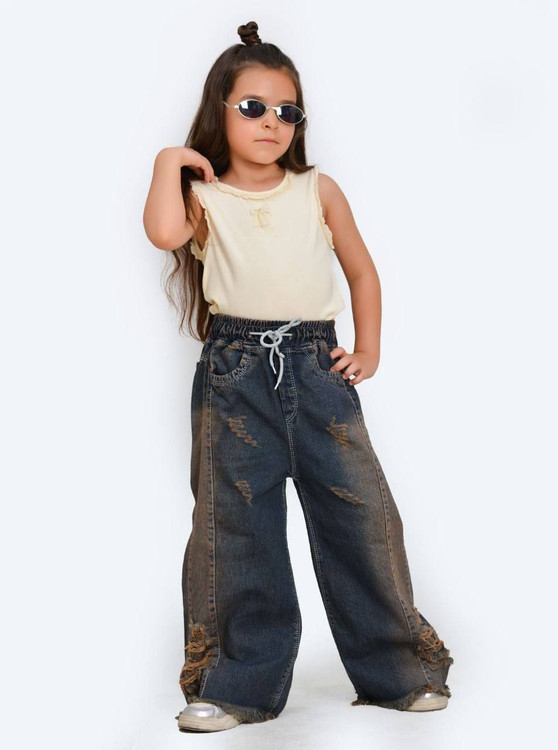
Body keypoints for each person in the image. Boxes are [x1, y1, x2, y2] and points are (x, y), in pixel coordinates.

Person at [143, 20, 454, 734]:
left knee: (360, 517)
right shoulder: (204, 198)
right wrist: (169, 160)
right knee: (236, 528)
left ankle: (399, 673)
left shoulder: (317, 189)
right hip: (233, 377)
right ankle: (236, 686)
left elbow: (362, 271)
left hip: (317, 368)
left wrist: (368, 348)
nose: (272, 123)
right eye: (253, 107)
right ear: (220, 110)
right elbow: (161, 232)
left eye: (288, 112)